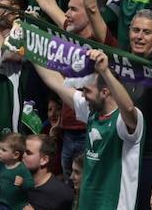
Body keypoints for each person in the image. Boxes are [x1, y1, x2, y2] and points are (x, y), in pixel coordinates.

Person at [34, 48, 143, 210]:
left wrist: (105, 71)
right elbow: (56, 82)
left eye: (87, 90)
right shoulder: (92, 111)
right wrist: (30, 49)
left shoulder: (124, 119)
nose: (83, 95)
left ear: (105, 92)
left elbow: (128, 108)